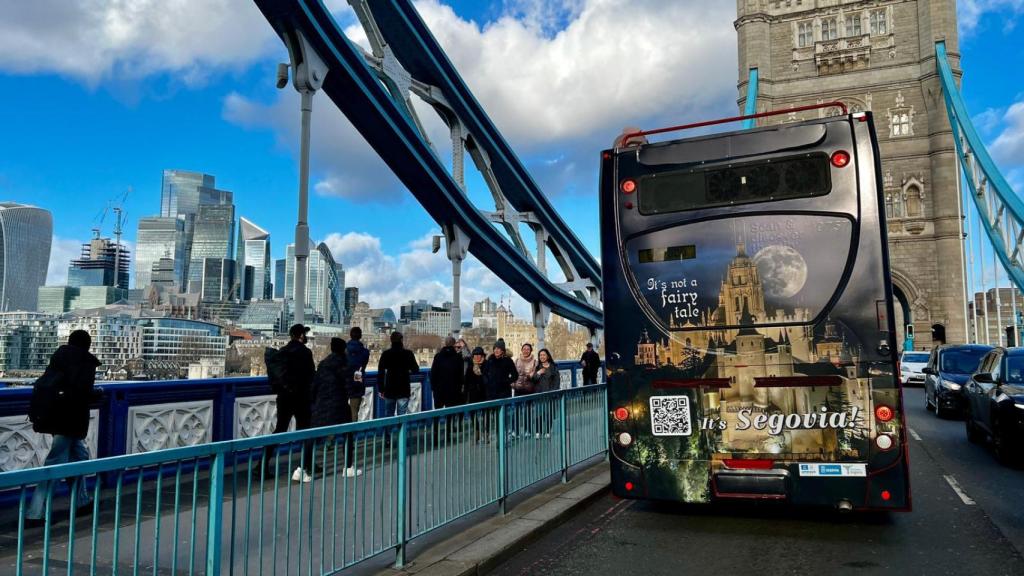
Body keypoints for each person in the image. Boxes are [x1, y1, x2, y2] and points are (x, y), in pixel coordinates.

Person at [25, 330, 102, 526]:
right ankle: (35, 513)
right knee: (53, 465)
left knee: (80, 458)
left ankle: (82, 502)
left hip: (53, 416)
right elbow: (80, 392)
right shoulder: (85, 362)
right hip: (71, 420)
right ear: (87, 344)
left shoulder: (59, 356)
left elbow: (62, 385)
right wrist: (97, 393)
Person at [266, 324, 316, 483]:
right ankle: (306, 466)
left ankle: (262, 465)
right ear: (301, 335)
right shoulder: (306, 353)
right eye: (305, 333)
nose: (306, 336)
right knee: (307, 432)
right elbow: (311, 376)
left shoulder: (283, 351)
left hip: (284, 397)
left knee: (279, 430)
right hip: (301, 397)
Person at [310, 338, 361, 477]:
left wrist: (314, 401)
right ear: (344, 349)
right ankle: (348, 467)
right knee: (347, 434)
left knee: (312, 436)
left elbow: (314, 385)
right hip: (339, 404)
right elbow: (353, 385)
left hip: (321, 404)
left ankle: (302, 469)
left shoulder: (323, 364)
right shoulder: (347, 364)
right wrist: (358, 384)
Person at [377, 331, 420, 416]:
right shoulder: (408, 353)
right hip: (403, 389)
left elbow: (380, 373)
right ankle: (401, 429)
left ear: (391, 340)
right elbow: (416, 369)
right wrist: (408, 370)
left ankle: (389, 429)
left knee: (389, 416)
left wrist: (381, 389)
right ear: (401, 340)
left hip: (389, 389)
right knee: (402, 415)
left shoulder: (386, 354)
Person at [430, 336, 465, 409]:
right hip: (453, 391)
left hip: (439, 391)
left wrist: (434, 388)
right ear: (454, 344)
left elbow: (433, 373)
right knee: (451, 414)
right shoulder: (458, 358)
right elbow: (460, 375)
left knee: (437, 412)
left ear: (445, 344)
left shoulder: (438, 356)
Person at [531, 348, 560, 438]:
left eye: (544, 355)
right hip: (539, 395)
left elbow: (557, 381)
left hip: (550, 395)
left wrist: (553, 392)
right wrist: (539, 373)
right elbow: (533, 379)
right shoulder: (537, 367)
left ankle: (547, 431)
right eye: (540, 355)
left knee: (549, 413)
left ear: (548, 356)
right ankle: (538, 432)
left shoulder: (553, 367)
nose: (542, 357)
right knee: (538, 414)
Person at [345, 327, 370, 422]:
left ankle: (340, 434)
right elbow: (364, 365)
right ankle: (351, 435)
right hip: (357, 382)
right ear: (360, 336)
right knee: (354, 412)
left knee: (339, 410)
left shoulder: (344, 350)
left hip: (344, 382)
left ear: (350, 335)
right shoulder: (365, 352)